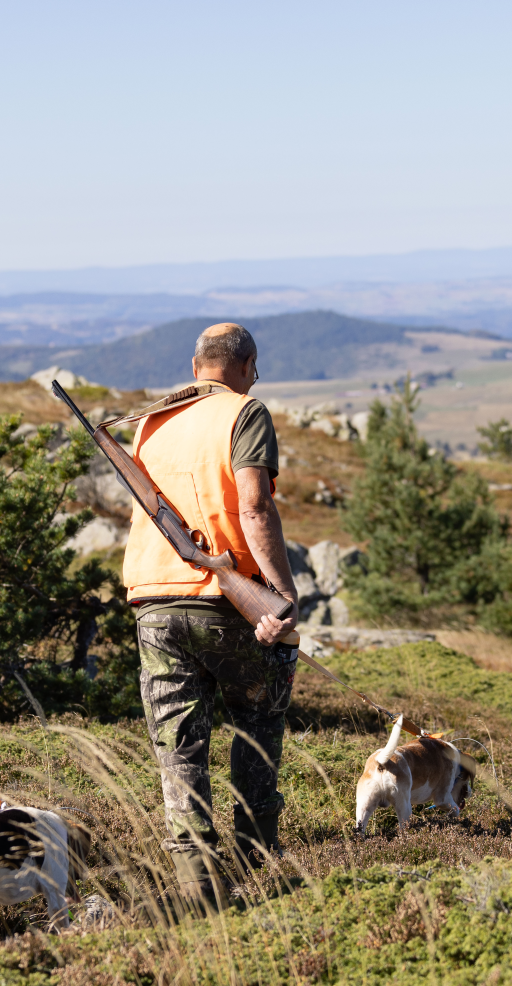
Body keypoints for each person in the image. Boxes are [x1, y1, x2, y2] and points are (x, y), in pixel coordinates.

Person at [120, 322, 299, 911]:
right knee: (258, 723)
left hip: (154, 601)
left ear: (196, 367)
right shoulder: (245, 412)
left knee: (178, 746)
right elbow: (254, 505)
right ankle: (258, 866)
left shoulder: (150, 420)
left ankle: (198, 887)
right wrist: (281, 595)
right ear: (246, 366)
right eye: (255, 371)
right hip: (228, 602)